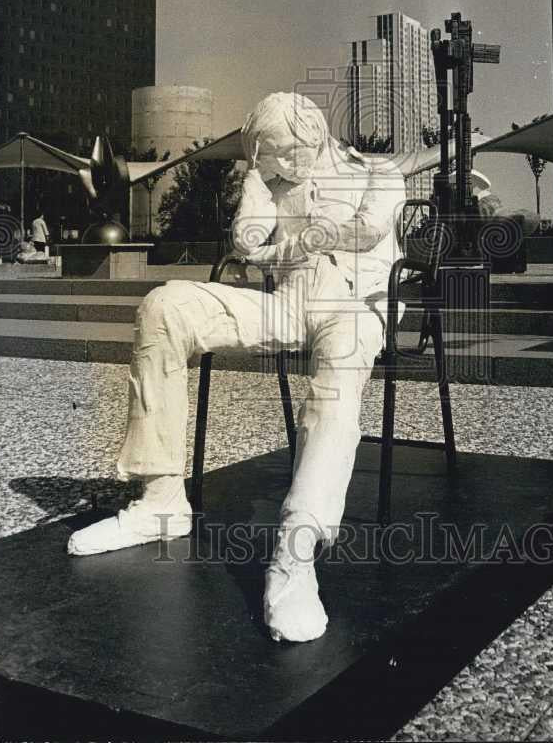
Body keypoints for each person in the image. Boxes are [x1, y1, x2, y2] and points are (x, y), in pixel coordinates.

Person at [67, 92, 407, 644]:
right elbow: (246, 238)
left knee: (338, 377)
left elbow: (368, 229)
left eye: (290, 152)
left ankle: (296, 555)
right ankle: (161, 500)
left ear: (316, 133)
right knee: (165, 306)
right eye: (271, 156)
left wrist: (294, 242)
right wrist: (262, 204)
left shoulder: (377, 171)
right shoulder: (266, 179)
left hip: (355, 305)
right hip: (289, 303)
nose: (285, 165)